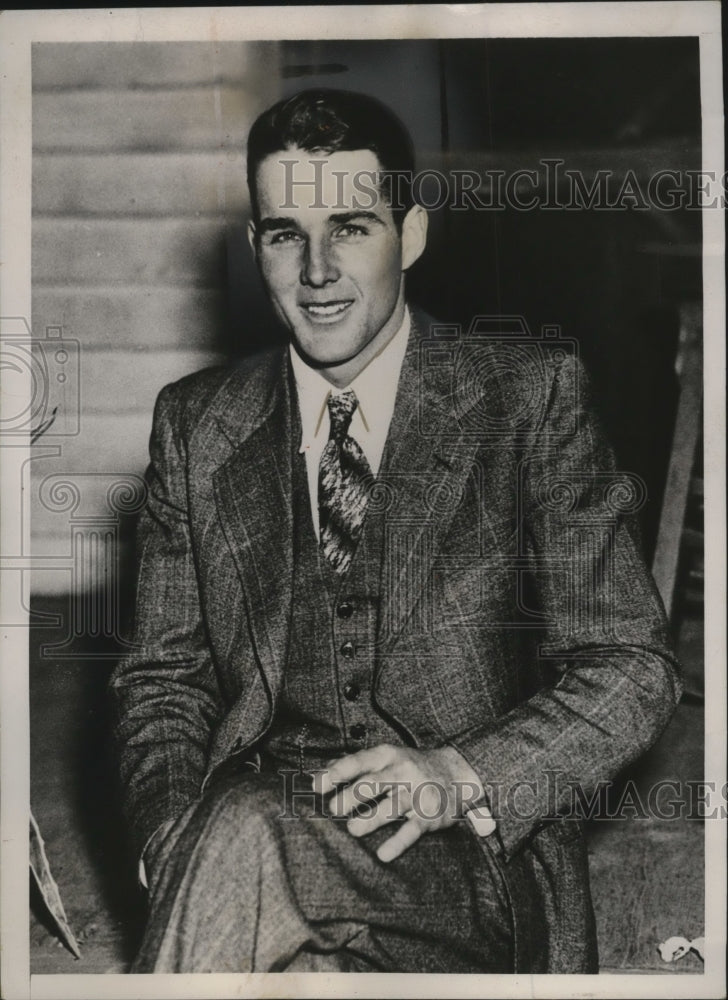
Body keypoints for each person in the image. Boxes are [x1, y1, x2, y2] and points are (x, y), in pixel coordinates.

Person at [110, 88, 681, 974]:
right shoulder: (197, 423)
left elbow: (632, 666)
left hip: (472, 860)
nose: (317, 271)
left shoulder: (526, 396)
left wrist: (463, 774)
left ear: (411, 235)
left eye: (351, 227)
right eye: (284, 233)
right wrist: (179, 844)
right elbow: (163, 681)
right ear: (255, 246)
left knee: (253, 837)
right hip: (253, 835)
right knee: (254, 854)